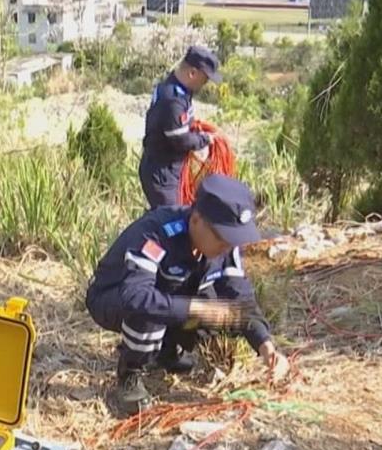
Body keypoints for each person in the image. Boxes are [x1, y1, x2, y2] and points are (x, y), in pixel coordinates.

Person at [85, 173, 289, 411]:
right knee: (153, 309)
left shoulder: (226, 247)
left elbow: (241, 300)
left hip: (169, 296)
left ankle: (166, 352)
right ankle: (130, 372)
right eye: (221, 237)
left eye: (233, 239)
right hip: (112, 298)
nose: (226, 246)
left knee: (218, 313)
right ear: (196, 219)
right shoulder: (156, 234)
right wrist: (196, 309)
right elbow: (135, 296)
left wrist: (266, 346)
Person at [138, 46, 222, 210]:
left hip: (166, 169)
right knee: (171, 218)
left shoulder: (177, 88)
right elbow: (181, 140)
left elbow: (180, 124)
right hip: (162, 174)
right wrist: (205, 139)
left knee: (168, 215)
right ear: (192, 73)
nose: (205, 84)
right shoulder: (173, 99)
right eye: (205, 79)